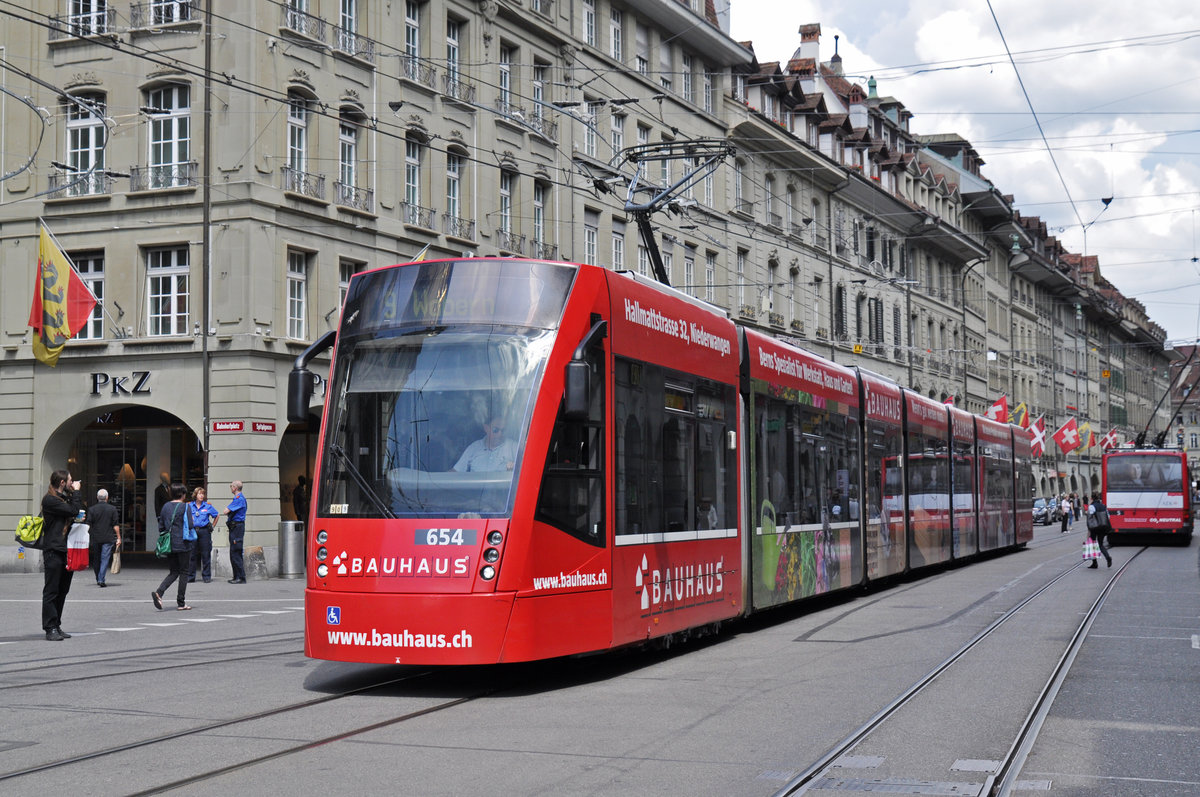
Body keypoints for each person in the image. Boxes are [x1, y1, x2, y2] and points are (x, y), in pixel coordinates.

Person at [41, 470, 85, 641]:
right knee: (51, 590)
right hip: (53, 550)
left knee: (63, 590)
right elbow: (74, 510)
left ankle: (57, 624)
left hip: (66, 550)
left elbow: (80, 510)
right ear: (62, 482)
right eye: (70, 480)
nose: (72, 483)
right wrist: (77, 492)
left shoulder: (63, 498)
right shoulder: (50, 500)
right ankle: (50, 627)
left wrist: (74, 494)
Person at [152, 483, 193, 611]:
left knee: (174, 571)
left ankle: (159, 592)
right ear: (182, 494)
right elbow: (190, 525)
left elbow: (161, 526)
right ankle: (181, 602)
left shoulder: (165, 507)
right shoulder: (185, 507)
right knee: (184, 572)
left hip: (170, 544)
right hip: (183, 543)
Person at [451, 416, 517, 473]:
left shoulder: (513, 447)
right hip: (476, 487)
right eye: (495, 430)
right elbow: (456, 471)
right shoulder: (474, 447)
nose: (500, 434)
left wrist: (512, 472)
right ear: (486, 428)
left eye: (503, 430)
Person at [85, 488, 121, 588]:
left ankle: (98, 578)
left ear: (97, 498)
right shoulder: (112, 509)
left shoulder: (92, 509)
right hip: (108, 537)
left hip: (96, 537)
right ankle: (101, 578)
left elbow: (88, 524)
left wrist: (84, 535)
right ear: (107, 498)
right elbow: (115, 525)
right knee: (104, 558)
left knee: (96, 559)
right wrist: (118, 537)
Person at [186, 487, 220, 583]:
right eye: (199, 494)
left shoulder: (207, 506)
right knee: (192, 554)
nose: (201, 496)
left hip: (204, 531)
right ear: (195, 495)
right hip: (193, 531)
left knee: (205, 554)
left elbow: (216, 515)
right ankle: (191, 576)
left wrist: (212, 526)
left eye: (203, 494)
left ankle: (206, 576)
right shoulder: (189, 506)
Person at [220, 480, 248, 584]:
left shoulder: (238, 499)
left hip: (237, 528)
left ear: (235, 488)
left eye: (231, 486)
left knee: (236, 552)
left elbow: (225, 511)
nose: (230, 488)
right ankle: (236, 576)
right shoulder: (239, 499)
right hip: (235, 527)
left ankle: (240, 577)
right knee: (234, 552)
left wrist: (228, 510)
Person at [1086, 495, 1114, 568]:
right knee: (1100, 544)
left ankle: (1094, 563)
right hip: (1103, 527)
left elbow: (1089, 518)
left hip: (1095, 528)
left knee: (1092, 544)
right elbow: (1108, 517)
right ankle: (1108, 557)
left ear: (1092, 499)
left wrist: (1089, 529)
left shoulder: (1091, 506)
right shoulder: (1103, 506)